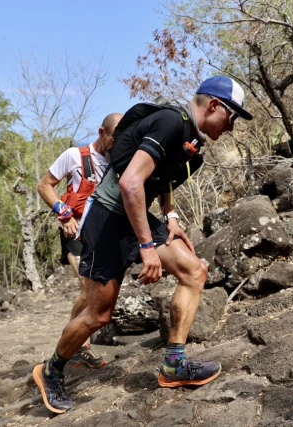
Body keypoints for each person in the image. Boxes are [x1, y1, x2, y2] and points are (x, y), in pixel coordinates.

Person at [33, 75, 253, 413]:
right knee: (98, 314)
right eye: (233, 117)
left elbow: (161, 180)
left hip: (135, 219)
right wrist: (148, 247)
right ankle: (51, 371)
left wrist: (171, 218)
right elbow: (131, 182)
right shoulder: (169, 122)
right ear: (214, 106)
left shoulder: (190, 141)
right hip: (106, 219)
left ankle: (173, 365)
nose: (232, 127)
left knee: (194, 271)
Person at [36, 113, 122, 369]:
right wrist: (63, 214)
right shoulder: (75, 156)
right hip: (75, 232)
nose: (116, 144)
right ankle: (77, 347)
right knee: (87, 289)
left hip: (103, 234)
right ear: (101, 132)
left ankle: (72, 344)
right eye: (113, 138)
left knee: (94, 294)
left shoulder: (121, 159)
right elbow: (44, 185)